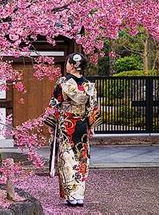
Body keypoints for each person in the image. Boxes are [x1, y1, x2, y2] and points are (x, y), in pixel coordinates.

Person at [44, 52, 101, 207]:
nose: (66, 65)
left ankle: (72, 195)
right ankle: (79, 195)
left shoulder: (62, 83)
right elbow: (93, 107)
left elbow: (55, 103)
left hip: (66, 124)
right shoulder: (89, 86)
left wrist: (52, 124)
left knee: (67, 158)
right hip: (82, 124)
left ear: (72, 65)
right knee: (81, 158)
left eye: (68, 63)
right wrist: (92, 126)